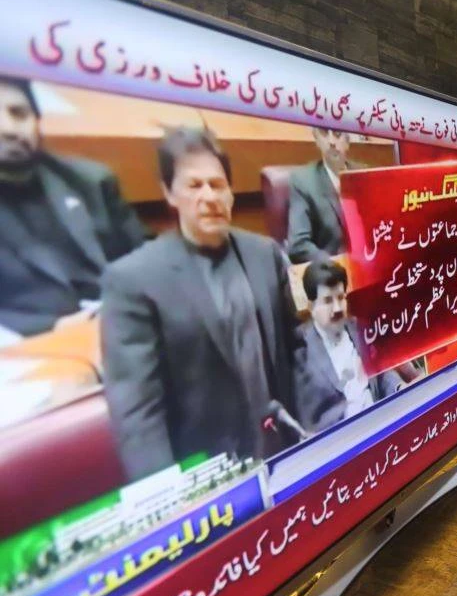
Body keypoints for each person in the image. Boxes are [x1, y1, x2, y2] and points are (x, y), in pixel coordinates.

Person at [102, 127, 307, 481]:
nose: (209, 197)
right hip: (209, 476)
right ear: (170, 193)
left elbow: (299, 349)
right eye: (194, 186)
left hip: (286, 454)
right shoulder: (133, 280)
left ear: (230, 192)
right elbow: (138, 415)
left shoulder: (264, 254)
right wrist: (171, 499)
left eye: (217, 184)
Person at [0, 76, 144, 337]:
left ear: (37, 120)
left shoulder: (90, 182)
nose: (9, 128)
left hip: (120, 325)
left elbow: (143, 260)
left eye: (19, 113)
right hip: (33, 345)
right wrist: (52, 328)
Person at [294, 259, 426, 432]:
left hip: (383, 423)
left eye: (340, 298)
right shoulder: (300, 350)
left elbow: (380, 375)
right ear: (311, 306)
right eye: (327, 301)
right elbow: (310, 418)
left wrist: (399, 388)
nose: (337, 309)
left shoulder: (358, 328)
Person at [287, 127, 355, 264]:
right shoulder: (303, 182)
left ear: (348, 140)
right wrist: (335, 265)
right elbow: (298, 245)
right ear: (316, 139)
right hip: (331, 270)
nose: (331, 141)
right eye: (324, 133)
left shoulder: (365, 174)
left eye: (337, 133)